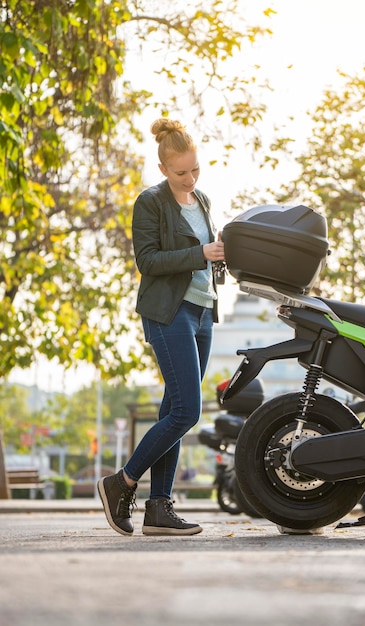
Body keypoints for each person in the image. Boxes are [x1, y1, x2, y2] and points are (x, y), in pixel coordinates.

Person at [98, 118, 225, 536]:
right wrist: (201, 253)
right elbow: (148, 261)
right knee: (188, 410)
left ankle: (159, 508)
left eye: (195, 169)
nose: (190, 179)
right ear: (163, 169)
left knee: (174, 409)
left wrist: (222, 254)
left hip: (203, 312)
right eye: (180, 172)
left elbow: (205, 257)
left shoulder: (202, 199)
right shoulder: (150, 202)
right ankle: (122, 482)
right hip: (169, 313)